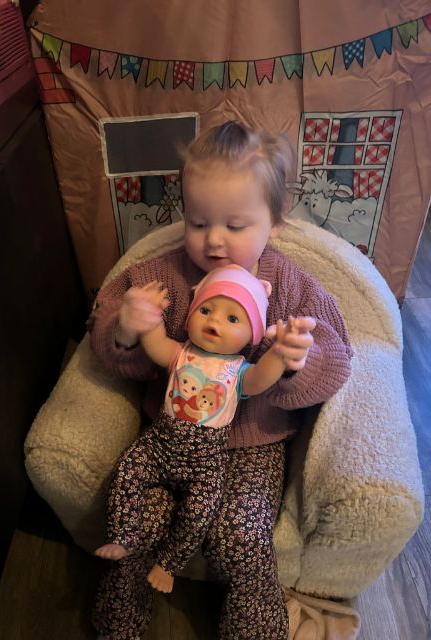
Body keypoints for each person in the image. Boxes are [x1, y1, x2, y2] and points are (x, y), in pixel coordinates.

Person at [88, 120, 353, 640]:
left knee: (242, 535)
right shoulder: (161, 277)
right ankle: (120, 618)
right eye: (197, 222)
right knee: (136, 522)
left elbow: (338, 359)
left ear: (274, 221)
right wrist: (125, 329)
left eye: (235, 225)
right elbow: (107, 337)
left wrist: (297, 359)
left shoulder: (292, 287)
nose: (213, 240)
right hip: (171, 440)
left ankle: (254, 624)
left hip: (253, 445)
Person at [95, 265, 294, 595]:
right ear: (190, 317)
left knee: (202, 511)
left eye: (233, 318)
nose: (215, 321)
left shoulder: (239, 371)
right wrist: (150, 316)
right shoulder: (180, 352)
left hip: (205, 463)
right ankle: (121, 536)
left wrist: (280, 354)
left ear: (252, 335)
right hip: (159, 445)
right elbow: (156, 344)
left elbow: (262, 379)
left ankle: (168, 565)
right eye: (206, 310)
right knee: (127, 469)